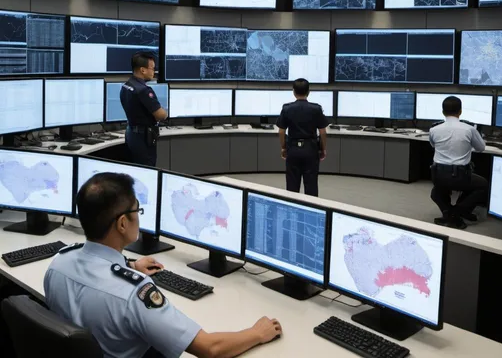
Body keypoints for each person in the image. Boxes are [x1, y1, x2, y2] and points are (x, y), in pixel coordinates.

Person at [44, 172, 283, 358]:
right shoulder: (134, 293)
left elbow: (97, 274)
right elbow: (211, 349)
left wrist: (129, 265)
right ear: (122, 224)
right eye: (137, 210)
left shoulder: (58, 263)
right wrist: (256, 333)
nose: (139, 215)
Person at [429, 96, 489, 230]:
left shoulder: (434, 130)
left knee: (436, 192)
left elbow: (433, 145)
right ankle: (457, 212)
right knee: (483, 185)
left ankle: (448, 212)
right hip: (461, 176)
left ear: (443, 112)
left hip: (438, 175)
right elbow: (481, 148)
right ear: (460, 111)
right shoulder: (469, 129)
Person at [276, 78, 329, 197]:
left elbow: (281, 131)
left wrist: (284, 148)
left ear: (293, 92)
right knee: (311, 186)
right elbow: (323, 132)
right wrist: (322, 149)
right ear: (308, 92)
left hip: (293, 149)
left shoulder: (286, 108)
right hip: (311, 149)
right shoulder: (316, 109)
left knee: (292, 187)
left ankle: (292, 211)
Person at [121, 52, 168, 167]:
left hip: (131, 134)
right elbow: (161, 115)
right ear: (143, 70)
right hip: (143, 138)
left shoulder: (126, 86)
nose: (154, 72)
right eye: (152, 68)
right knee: (148, 169)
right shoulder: (144, 91)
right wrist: (165, 111)